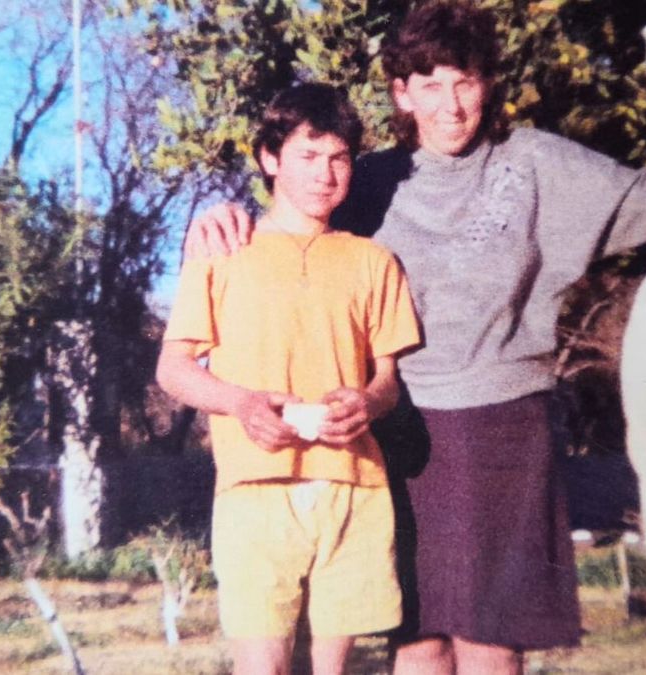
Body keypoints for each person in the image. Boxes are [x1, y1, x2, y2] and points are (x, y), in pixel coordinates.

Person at [184, 3, 646, 672]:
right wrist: (220, 215)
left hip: (502, 430)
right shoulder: (370, 179)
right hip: (394, 434)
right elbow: (292, 218)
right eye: (431, 84)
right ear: (401, 94)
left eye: (467, 81)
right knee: (416, 643)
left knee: (489, 648)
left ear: (489, 87)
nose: (451, 104)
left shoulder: (534, 163)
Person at [156, 83, 421, 675]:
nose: (326, 174)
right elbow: (172, 369)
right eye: (308, 155)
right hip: (255, 490)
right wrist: (243, 403)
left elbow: (388, 381)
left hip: (354, 487)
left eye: (340, 158)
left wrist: (367, 403)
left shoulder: (372, 260)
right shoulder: (222, 250)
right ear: (269, 160)